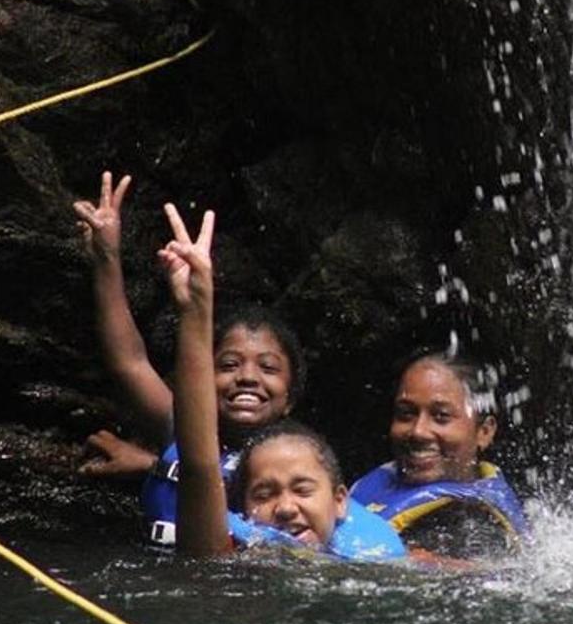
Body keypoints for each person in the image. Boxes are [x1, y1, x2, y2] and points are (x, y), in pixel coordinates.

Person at [158, 203, 404, 561]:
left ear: (339, 501)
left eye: (303, 490)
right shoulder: (226, 553)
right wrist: (197, 311)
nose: (286, 508)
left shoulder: (376, 560)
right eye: (264, 494)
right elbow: (200, 466)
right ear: (241, 510)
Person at [74, 172, 303, 545]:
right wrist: (106, 257)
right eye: (229, 364)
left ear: (291, 398)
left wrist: (150, 465)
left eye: (268, 368)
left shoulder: (294, 459)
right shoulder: (177, 422)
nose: (247, 377)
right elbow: (128, 361)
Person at [350, 349, 531, 561]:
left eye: (441, 416)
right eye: (406, 414)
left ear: (484, 432)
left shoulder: (472, 525)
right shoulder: (387, 479)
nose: (418, 431)